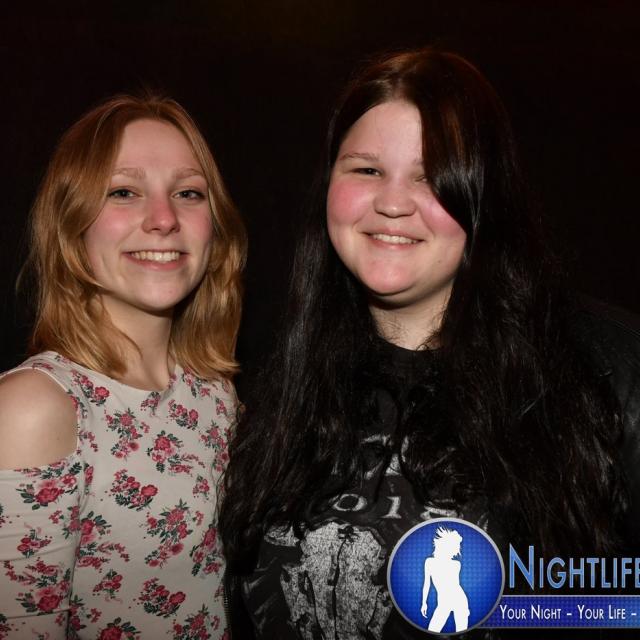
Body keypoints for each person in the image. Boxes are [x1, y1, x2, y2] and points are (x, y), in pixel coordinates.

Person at [220, 47, 640, 638]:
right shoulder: (286, 378)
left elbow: (619, 606)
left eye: (430, 175)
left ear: (484, 193)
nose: (393, 203)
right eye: (367, 170)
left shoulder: (603, 374)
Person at [0, 94, 246, 638]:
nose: (163, 219)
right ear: (71, 225)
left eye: (188, 193)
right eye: (123, 192)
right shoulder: (34, 408)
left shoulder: (213, 391)